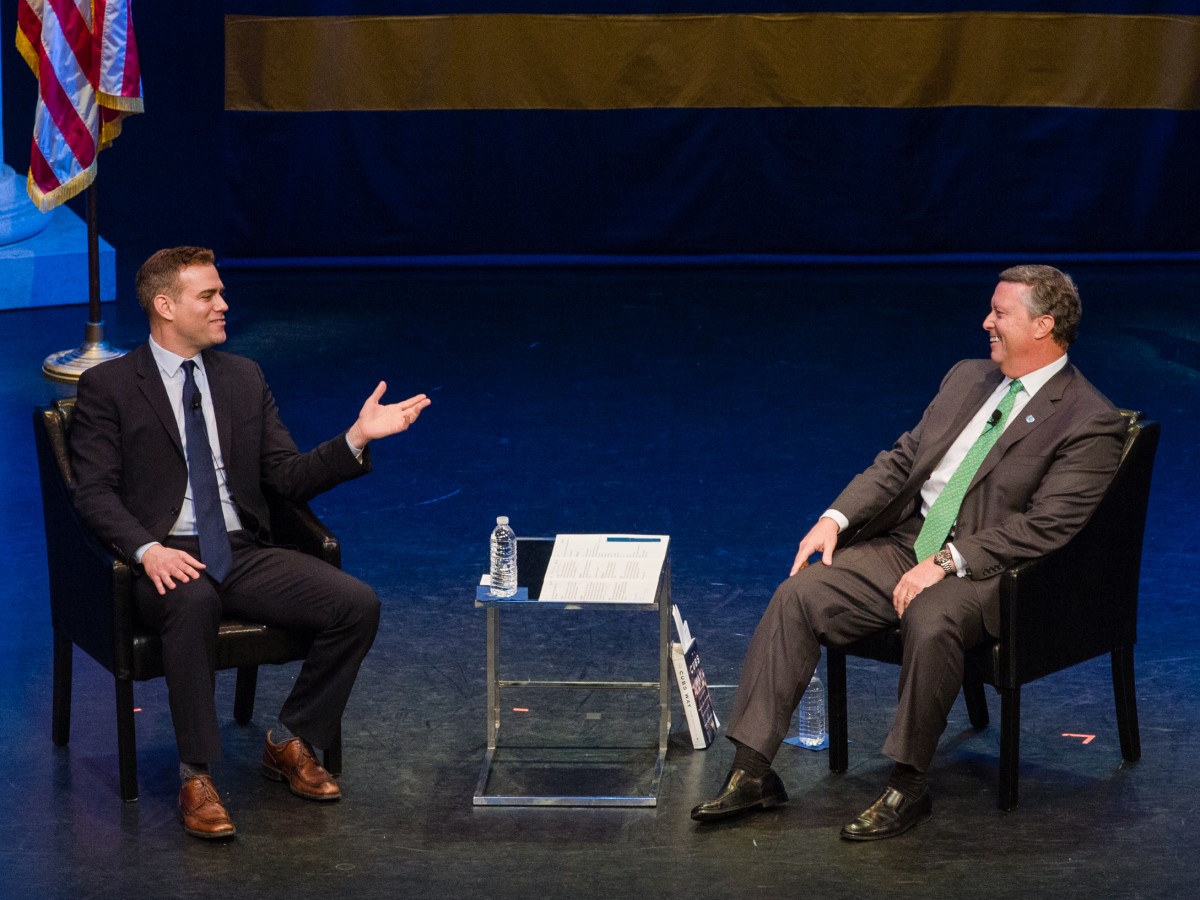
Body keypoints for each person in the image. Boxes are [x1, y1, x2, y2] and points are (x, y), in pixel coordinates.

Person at [691, 265, 1127, 840]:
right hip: (909, 542)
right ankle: (752, 772)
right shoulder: (968, 378)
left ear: (1044, 325)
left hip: (991, 570)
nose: (986, 322)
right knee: (801, 593)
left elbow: (1047, 526)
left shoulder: (1088, 420)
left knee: (933, 615)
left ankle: (908, 784)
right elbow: (903, 459)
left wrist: (947, 563)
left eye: (1000, 313)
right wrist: (834, 518)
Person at [69, 246, 431, 840]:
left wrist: (357, 437)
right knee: (193, 601)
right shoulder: (109, 386)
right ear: (165, 305)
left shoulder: (242, 378)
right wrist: (147, 551)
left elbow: (285, 477)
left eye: (221, 293)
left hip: (240, 548)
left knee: (355, 604)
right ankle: (196, 776)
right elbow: (95, 495)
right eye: (208, 295)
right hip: (163, 557)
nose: (223, 305)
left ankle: (289, 740)